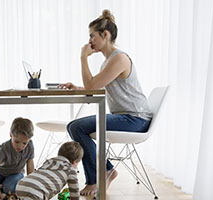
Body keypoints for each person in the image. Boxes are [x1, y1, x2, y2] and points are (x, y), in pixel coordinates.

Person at [59, 9, 153, 196]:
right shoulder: (108, 62)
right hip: (126, 117)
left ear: (106, 35)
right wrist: (78, 87)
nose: (89, 41)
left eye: (92, 36)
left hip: (136, 119)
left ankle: (98, 176)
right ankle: (107, 170)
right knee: (75, 126)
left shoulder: (119, 58)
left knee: (76, 127)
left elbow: (92, 85)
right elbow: (94, 87)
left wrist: (83, 57)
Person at [15, 141, 84, 200]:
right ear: (75, 161)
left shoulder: (48, 162)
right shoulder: (70, 170)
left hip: (21, 184)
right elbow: (74, 192)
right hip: (36, 190)